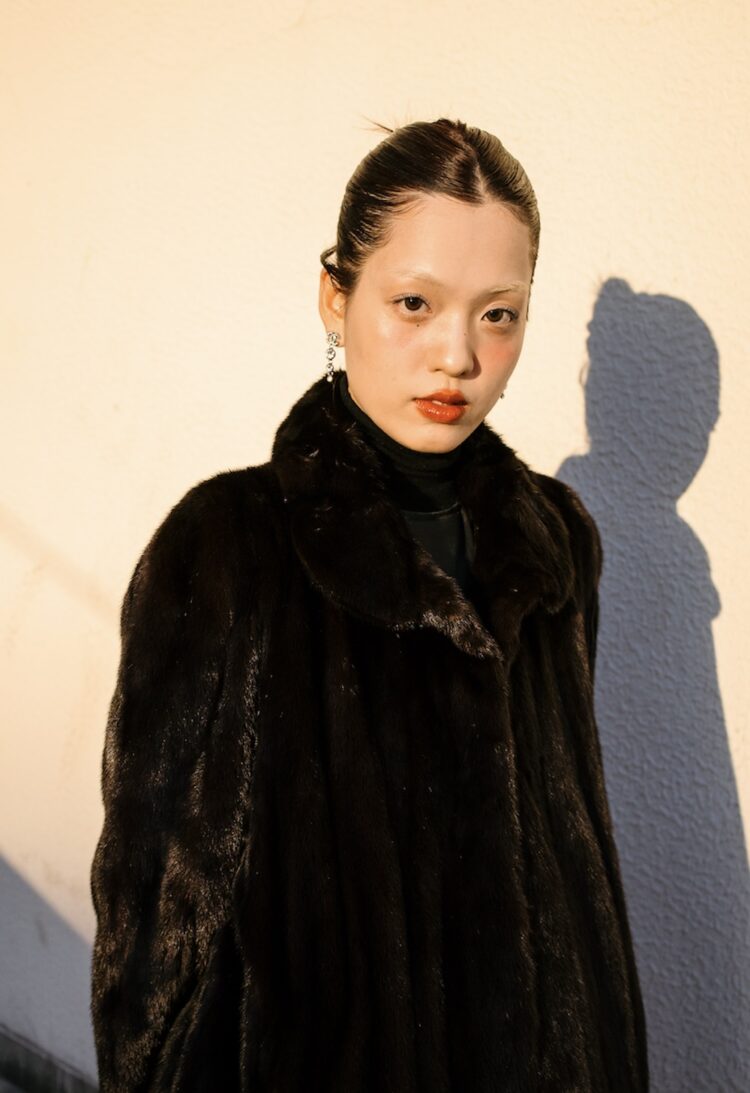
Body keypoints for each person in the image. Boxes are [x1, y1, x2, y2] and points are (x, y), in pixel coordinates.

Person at [90, 117, 650, 1092]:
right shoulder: (228, 546)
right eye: (414, 303)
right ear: (335, 297)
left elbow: (579, 855)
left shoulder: (556, 543)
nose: (457, 355)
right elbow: (153, 922)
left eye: (499, 314)